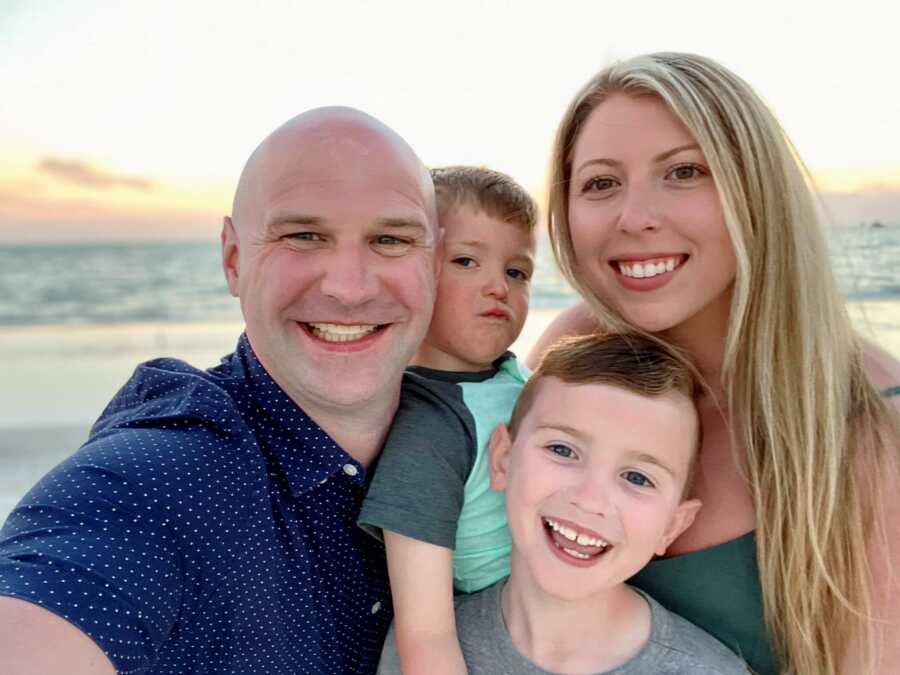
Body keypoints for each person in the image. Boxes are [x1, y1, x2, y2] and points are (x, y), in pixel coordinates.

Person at [0, 107, 441, 674]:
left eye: (391, 238)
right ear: (234, 259)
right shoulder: (157, 483)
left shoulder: (497, 446)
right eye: (303, 235)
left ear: (435, 259)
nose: (349, 286)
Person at [529, 52, 900, 675]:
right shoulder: (576, 355)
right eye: (600, 182)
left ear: (753, 188)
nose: (634, 217)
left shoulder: (865, 418)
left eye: (683, 172)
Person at [379, 333, 749, 674]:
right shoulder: (417, 652)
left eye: (638, 477)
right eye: (562, 450)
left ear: (672, 526)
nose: (589, 500)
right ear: (503, 460)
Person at [358, 166, 537, 672]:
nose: (498, 286)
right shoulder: (429, 428)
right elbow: (427, 634)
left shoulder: (517, 380)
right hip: (504, 637)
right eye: (466, 261)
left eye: (516, 271)